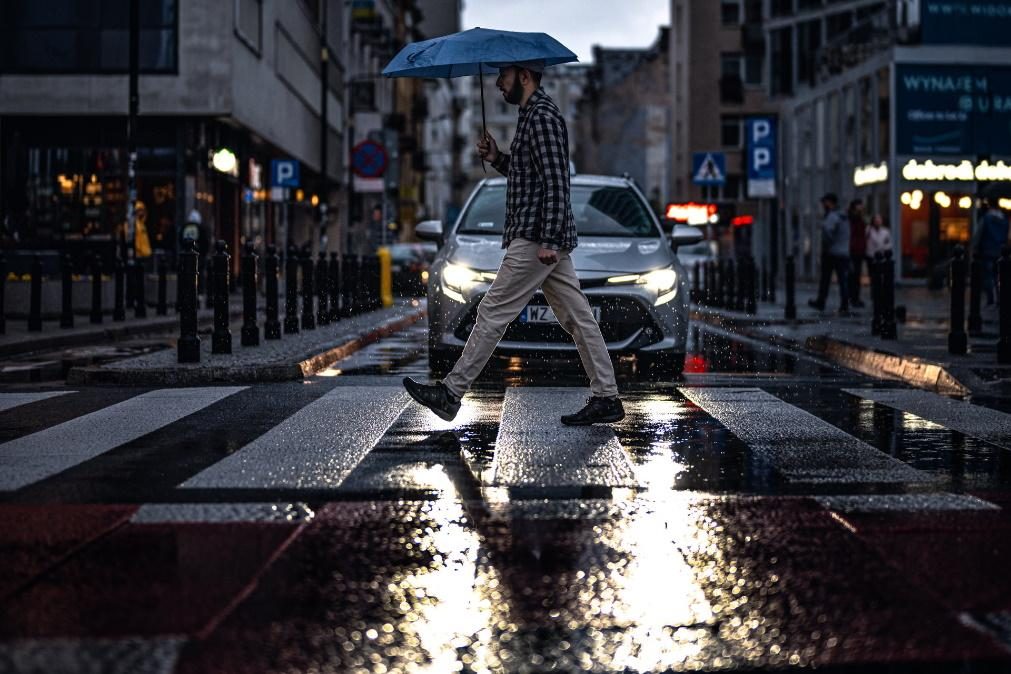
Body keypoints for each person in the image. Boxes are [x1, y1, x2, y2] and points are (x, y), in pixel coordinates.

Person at [402, 60, 623, 426]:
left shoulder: (543, 117)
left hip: (536, 238)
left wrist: (550, 239)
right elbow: (530, 176)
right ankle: (607, 397)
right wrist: (498, 158)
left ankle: (451, 393)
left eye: (503, 77)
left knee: (492, 312)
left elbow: (556, 181)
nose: (498, 85)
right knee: (579, 318)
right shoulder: (531, 116)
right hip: (540, 235)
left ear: (524, 75)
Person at [808, 192, 850, 315]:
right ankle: (844, 304)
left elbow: (827, 232)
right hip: (843, 252)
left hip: (832, 253)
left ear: (830, 203)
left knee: (825, 279)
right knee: (843, 280)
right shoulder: (844, 216)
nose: (823, 205)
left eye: (824, 202)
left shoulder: (832, 216)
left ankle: (821, 302)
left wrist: (827, 245)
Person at [974, 198, 1010, 305]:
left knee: (989, 276)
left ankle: (991, 298)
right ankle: (999, 298)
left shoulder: (986, 218)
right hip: (1001, 252)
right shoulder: (1004, 219)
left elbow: (978, 235)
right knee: (999, 276)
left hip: (987, 250)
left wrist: (975, 247)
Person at [847, 198, 867, 307]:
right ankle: (853, 298)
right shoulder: (854, 218)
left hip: (858, 250)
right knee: (853, 275)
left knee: (854, 275)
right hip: (854, 250)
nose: (862, 207)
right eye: (860, 205)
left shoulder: (858, 218)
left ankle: (853, 297)